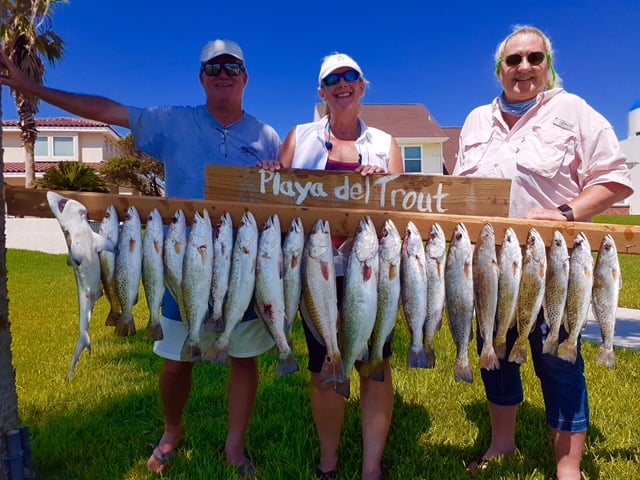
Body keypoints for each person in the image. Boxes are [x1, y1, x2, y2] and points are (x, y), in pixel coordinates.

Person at [0, 39, 281, 478]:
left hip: (239, 263)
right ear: (201, 77)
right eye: (213, 67)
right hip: (176, 260)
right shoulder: (172, 121)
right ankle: (172, 431)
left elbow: (283, 199)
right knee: (176, 358)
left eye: (232, 66)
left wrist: (275, 176)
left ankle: (234, 445)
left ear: (245, 77)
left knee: (243, 357)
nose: (223, 73)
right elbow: (106, 110)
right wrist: (32, 89)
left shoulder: (268, 137)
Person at [453, 25, 633, 480]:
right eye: (514, 60)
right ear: (500, 70)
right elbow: (457, 193)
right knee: (494, 355)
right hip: (488, 265)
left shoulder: (573, 111)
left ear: (548, 66)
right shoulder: (476, 120)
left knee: (559, 359)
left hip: (556, 264)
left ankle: (568, 466)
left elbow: (614, 179)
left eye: (535, 58)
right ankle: (502, 445)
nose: (524, 67)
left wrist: (568, 213)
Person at [264, 52, 403, 480]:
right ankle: (328, 460)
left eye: (351, 77)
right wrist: (271, 172)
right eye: (332, 79)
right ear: (321, 91)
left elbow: (401, 206)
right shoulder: (299, 136)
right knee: (324, 362)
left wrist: (380, 180)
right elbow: (277, 196)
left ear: (362, 86)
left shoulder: (386, 144)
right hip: (315, 268)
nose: (342, 84)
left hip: (371, 270)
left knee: (374, 364)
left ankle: (371, 467)